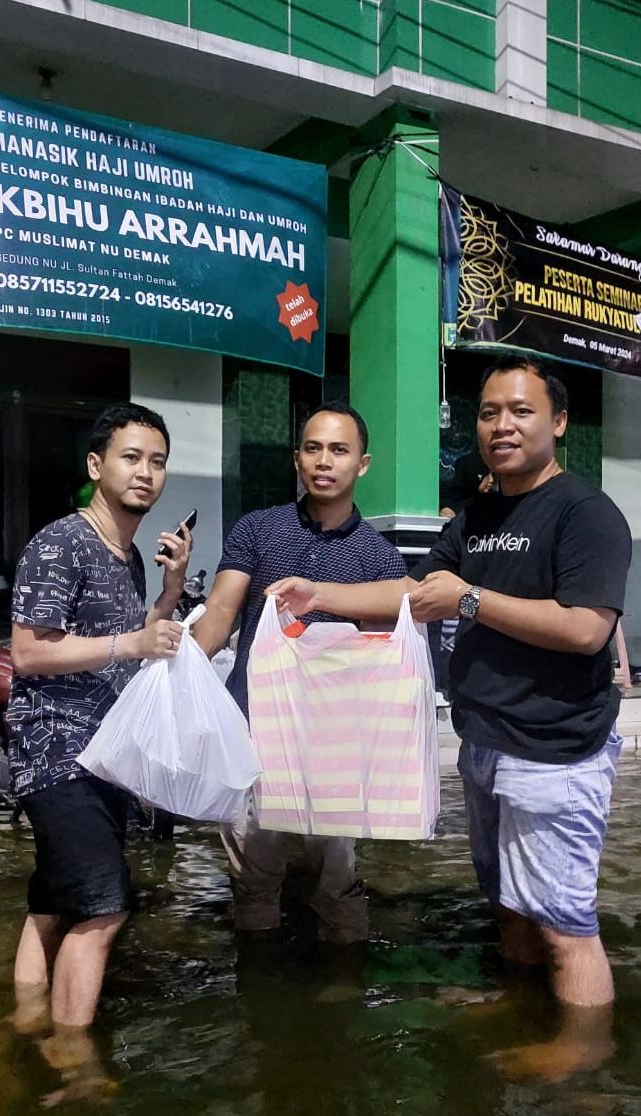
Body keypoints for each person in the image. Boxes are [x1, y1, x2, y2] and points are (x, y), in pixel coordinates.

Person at [268, 359, 631, 1076]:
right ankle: (520, 1001)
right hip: (487, 741)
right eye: (490, 411)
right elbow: (413, 589)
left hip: (555, 748)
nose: (502, 425)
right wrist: (325, 596)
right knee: (510, 905)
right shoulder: (481, 514)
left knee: (565, 924)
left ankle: (586, 1056)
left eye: (521, 411)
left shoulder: (586, 513)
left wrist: (469, 600)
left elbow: (588, 629)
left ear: (558, 422)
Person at [7, 402, 194, 1035]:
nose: (145, 472)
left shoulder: (128, 556)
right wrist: (132, 646)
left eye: (158, 461)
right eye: (131, 457)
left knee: (56, 900)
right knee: (104, 909)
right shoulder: (62, 543)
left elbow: (127, 637)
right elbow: (29, 652)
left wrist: (170, 592)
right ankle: (72, 1062)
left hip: (103, 753)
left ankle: (27, 1019)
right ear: (97, 464)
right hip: (57, 752)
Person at [192, 401, 407, 944]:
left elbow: (395, 645)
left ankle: (340, 1001)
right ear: (296, 458)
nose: (324, 461)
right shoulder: (258, 530)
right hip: (254, 727)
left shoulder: (379, 558)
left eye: (339, 450)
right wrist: (185, 666)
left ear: (363, 464)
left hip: (336, 738)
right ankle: (260, 998)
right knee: (254, 878)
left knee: (336, 877)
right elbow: (220, 611)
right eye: (313, 448)